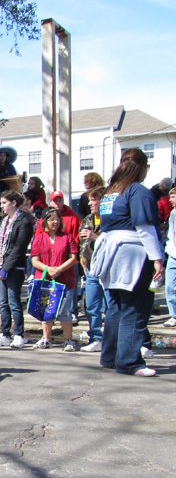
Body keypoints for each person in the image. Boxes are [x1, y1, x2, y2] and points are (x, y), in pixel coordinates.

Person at [91, 148, 163, 377]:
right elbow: (145, 226)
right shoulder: (137, 190)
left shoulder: (111, 192)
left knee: (116, 306)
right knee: (135, 306)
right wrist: (157, 259)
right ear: (142, 167)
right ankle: (130, 362)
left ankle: (111, 356)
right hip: (132, 253)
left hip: (111, 252)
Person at [30, 208, 79, 351]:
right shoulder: (39, 238)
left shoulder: (67, 237)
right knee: (47, 310)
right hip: (45, 281)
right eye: (51, 219)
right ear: (45, 221)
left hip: (64, 281)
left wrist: (58, 269)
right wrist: (48, 269)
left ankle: (68, 340)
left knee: (65, 312)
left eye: (57, 219)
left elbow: (73, 258)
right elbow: (34, 260)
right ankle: (46, 339)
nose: (55, 222)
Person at [0, 191, 33, 348]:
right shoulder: (4, 220)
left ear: (14, 203)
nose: (1, 206)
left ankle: (18, 334)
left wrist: (6, 268)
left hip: (15, 267)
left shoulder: (24, 221)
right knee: (4, 303)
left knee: (14, 301)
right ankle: (5, 333)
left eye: (4, 203)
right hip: (0, 266)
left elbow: (19, 248)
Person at [79, 187, 107, 352]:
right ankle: (95, 337)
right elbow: (81, 241)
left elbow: (112, 243)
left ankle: (111, 339)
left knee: (110, 306)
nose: (90, 203)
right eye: (89, 200)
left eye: (93, 200)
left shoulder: (111, 220)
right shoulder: (88, 219)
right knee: (91, 305)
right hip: (91, 269)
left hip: (108, 269)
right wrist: (82, 257)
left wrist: (95, 237)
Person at [163, 187, 176, 328]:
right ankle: (174, 315)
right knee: (170, 286)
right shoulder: (173, 213)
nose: (170, 200)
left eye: (173, 197)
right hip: (173, 254)